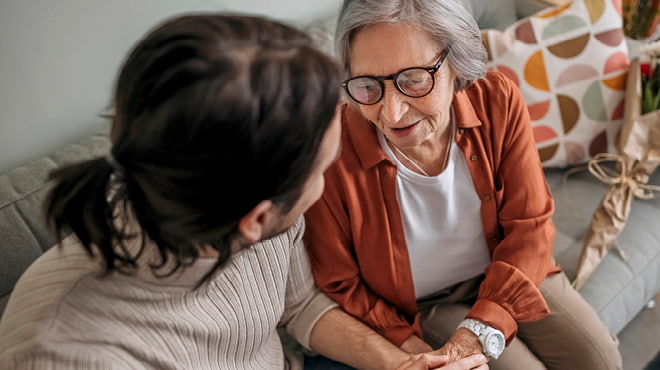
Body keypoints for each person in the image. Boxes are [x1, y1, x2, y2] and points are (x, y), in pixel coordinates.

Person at [0, 13, 489, 370]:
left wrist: (397, 365)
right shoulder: (65, 354)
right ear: (255, 220)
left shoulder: (237, 208)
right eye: (322, 170)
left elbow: (299, 305)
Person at [303, 0, 623, 369]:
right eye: (367, 85)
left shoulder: (497, 100)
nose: (391, 113)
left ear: (456, 61)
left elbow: (530, 228)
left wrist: (479, 328)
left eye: (413, 80)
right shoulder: (331, 149)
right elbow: (339, 280)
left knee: (602, 361)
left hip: (506, 266)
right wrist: (405, 347)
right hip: (425, 304)